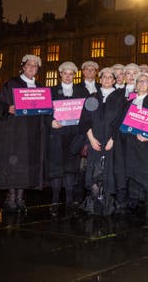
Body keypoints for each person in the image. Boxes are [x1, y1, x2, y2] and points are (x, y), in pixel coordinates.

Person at [0, 54, 49, 214]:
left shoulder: (40, 88)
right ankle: (11, 197)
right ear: (23, 66)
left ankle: (21, 198)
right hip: (15, 133)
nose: (32, 68)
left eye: (35, 66)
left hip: (32, 134)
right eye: (29, 65)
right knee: (14, 165)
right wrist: (7, 109)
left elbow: (45, 111)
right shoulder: (12, 84)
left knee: (27, 167)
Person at [78, 67, 124, 215]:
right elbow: (85, 120)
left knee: (108, 171)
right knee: (94, 171)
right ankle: (93, 204)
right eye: (104, 77)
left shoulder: (120, 98)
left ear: (114, 80)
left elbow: (120, 121)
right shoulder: (92, 97)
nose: (107, 79)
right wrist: (91, 139)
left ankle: (107, 205)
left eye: (110, 77)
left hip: (111, 141)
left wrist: (113, 139)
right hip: (95, 140)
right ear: (100, 79)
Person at [120, 72, 148, 219]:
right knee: (131, 173)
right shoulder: (128, 103)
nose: (141, 84)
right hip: (130, 144)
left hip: (147, 146)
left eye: (145, 81)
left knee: (147, 174)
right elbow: (121, 123)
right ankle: (132, 202)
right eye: (139, 81)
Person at [47, 61, 89, 216]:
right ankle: (55, 201)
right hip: (57, 136)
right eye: (65, 73)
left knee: (71, 170)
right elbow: (44, 112)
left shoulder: (81, 91)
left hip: (74, 136)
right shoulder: (51, 91)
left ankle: (70, 202)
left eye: (71, 73)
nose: (68, 76)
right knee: (57, 170)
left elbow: (87, 114)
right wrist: (50, 121)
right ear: (60, 74)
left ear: (74, 75)